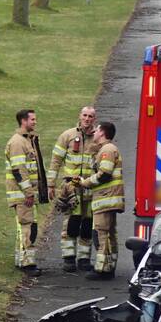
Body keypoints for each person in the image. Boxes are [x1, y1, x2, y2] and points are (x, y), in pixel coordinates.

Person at [46, 106, 97, 272]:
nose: (87, 119)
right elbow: (55, 161)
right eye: (85, 115)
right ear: (80, 116)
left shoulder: (98, 138)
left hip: (89, 187)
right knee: (71, 222)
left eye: (90, 116)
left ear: (94, 119)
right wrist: (51, 183)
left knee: (88, 223)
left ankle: (84, 258)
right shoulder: (67, 135)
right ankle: (68, 258)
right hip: (71, 188)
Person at [78, 121, 124, 281]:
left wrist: (85, 182)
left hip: (106, 198)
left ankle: (102, 269)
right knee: (108, 233)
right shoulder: (105, 149)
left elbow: (104, 174)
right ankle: (108, 266)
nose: (94, 132)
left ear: (103, 132)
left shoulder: (107, 150)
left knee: (101, 233)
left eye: (97, 130)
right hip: (108, 198)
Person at [4, 109, 47, 277]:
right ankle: (27, 263)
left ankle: (21, 260)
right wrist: (28, 192)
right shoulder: (18, 142)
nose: (35, 122)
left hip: (26, 193)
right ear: (23, 121)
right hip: (22, 194)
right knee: (27, 227)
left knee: (28, 226)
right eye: (32, 119)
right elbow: (18, 170)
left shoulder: (27, 140)